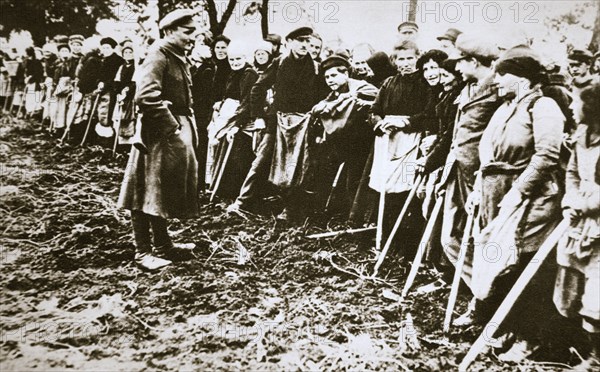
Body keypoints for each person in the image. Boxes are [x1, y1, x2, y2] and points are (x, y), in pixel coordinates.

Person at [473, 45, 567, 362]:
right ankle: (504, 327)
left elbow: (546, 157)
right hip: (497, 192)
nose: (496, 81)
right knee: (499, 261)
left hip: (532, 199)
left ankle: (530, 337)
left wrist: (519, 190)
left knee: (527, 264)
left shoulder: (544, 107)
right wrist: (480, 187)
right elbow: (488, 151)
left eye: (504, 75)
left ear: (524, 79)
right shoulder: (505, 107)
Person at [117, 9, 200, 271]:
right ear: (169, 31)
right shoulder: (158, 55)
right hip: (156, 135)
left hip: (168, 133)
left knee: (158, 192)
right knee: (143, 192)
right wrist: (173, 128)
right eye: (187, 32)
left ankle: (164, 246)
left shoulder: (175, 55)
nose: (192, 37)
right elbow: (146, 97)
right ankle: (143, 252)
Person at [230, 26, 327, 221]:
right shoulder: (280, 62)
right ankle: (242, 203)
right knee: (262, 158)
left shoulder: (316, 67)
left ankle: (290, 209)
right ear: (289, 42)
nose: (304, 45)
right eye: (300, 41)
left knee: (299, 164)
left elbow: (322, 95)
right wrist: (259, 116)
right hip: (277, 120)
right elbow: (257, 88)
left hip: (303, 123)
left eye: (308, 42)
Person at [439, 34, 502, 326]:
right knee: (450, 238)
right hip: (458, 170)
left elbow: (537, 90)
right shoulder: (467, 86)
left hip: (482, 178)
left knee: (478, 238)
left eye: (460, 62)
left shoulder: (501, 85)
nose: (455, 68)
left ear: (473, 62)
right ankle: (477, 292)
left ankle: (484, 303)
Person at [368, 40, 432, 256]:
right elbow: (373, 110)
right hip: (387, 141)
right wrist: (379, 123)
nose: (405, 63)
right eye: (400, 59)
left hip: (411, 142)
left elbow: (430, 115)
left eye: (409, 58)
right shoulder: (388, 83)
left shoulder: (426, 84)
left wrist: (406, 122)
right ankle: (385, 239)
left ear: (417, 58)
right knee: (385, 189)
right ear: (394, 61)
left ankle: (407, 245)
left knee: (407, 189)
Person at [554, 83, 600, 371]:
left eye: (576, 103)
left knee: (597, 292)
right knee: (568, 284)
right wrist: (570, 200)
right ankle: (575, 347)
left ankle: (596, 358)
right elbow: (571, 172)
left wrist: (585, 205)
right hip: (577, 220)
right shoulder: (581, 135)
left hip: (596, 223)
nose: (571, 107)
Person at [310, 54, 378, 215]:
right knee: (326, 172)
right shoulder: (331, 95)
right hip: (340, 142)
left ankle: (357, 217)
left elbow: (374, 94)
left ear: (346, 74)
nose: (330, 80)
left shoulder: (360, 87)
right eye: (327, 77)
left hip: (360, 143)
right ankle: (332, 212)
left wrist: (349, 97)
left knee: (354, 180)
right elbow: (319, 108)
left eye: (334, 75)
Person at [210, 41, 259, 200]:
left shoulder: (249, 74)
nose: (235, 62)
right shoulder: (233, 73)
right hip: (232, 115)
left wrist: (237, 124)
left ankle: (237, 195)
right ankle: (222, 192)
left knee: (239, 157)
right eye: (231, 60)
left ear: (245, 57)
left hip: (244, 119)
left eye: (238, 59)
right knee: (226, 152)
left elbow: (247, 100)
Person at [95, 37, 124, 143]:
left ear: (113, 49)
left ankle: (109, 140)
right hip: (104, 90)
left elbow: (116, 78)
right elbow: (100, 75)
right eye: (103, 48)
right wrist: (99, 82)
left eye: (108, 48)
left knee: (109, 114)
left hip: (113, 91)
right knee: (102, 112)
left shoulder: (118, 60)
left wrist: (105, 84)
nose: (105, 50)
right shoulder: (104, 60)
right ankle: (103, 137)